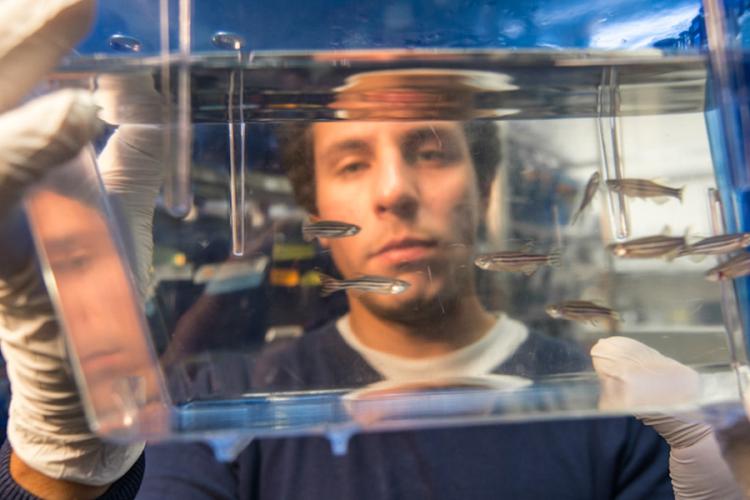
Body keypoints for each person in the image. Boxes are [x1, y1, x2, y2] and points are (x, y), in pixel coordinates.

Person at [0, 1, 745, 499]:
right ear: (317, 205)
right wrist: (61, 462)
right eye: (352, 162)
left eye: (429, 150)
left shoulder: (620, 402)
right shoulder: (227, 397)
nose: (394, 192)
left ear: (484, 185)